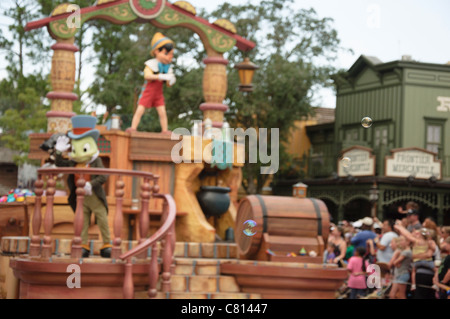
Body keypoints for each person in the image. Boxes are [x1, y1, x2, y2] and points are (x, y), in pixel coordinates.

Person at [55, 115, 111, 258]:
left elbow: (103, 176)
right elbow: (60, 164)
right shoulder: (74, 164)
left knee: (102, 219)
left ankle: (107, 244)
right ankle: (84, 246)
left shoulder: (96, 160)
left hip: (94, 196)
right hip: (81, 198)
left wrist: (90, 184)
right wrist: (58, 152)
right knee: (82, 221)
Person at [127, 32, 176, 134]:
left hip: (158, 93)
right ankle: (133, 127)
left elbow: (168, 83)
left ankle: (165, 130)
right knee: (140, 109)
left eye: (170, 54)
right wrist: (160, 76)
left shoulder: (168, 68)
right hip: (148, 91)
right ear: (157, 52)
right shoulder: (151, 64)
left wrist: (171, 80)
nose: (169, 57)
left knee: (162, 112)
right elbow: (147, 76)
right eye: (166, 53)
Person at [395, 222, 437, 299]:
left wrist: (400, 227)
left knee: (414, 272)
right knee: (436, 270)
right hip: (426, 266)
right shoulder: (429, 242)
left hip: (419, 267)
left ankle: (413, 285)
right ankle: (435, 284)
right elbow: (430, 253)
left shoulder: (417, 242)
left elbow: (407, 235)